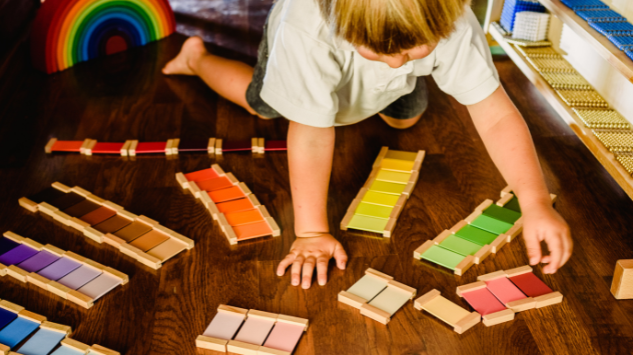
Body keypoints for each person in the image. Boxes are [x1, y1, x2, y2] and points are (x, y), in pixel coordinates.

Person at [163, 0, 572, 289]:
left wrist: (534, 200)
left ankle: (383, 92)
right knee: (263, 106)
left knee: (405, 115)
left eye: (412, 52)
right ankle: (196, 59)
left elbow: (496, 113)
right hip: (305, 57)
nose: (396, 62)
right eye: (379, 52)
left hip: (371, 77)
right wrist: (310, 233)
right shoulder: (306, 27)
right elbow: (309, 134)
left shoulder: (455, 19)